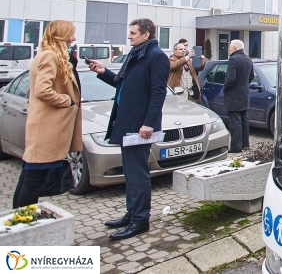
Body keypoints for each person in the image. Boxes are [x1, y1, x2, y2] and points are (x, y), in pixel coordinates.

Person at [88, 18, 169, 240]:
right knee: (130, 173)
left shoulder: (156, 57)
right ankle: (132, 213)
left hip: (140, 126)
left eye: (133, 33)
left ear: (146, 34)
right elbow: (122, 83)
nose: (129, 36)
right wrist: (103, 71)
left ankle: (140, 220)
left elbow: (157, 93)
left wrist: (149, 123)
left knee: (138, 174)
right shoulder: (136, 54)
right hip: (127, 122)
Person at [13, 21, 82, 208]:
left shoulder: (51, 56)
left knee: (32, 175)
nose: (73, 39)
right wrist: (67, 100)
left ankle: (23, 218)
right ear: (60, 36)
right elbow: (42, 90)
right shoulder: (49, 56)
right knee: (34, 178)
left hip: (48, 127)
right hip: (47, 128)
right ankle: (23, 221)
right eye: (70, 35)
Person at [223, 39, 254, 154]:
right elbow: (251, 76)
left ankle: (236, 147)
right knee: (244, 120)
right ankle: (245, 145)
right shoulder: (248, 59)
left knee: (235, 121)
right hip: (244, 93)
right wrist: (244, 84)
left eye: (230, 47)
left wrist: (225, 88)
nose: (229, 49)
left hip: (234, 94)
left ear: (235, 48)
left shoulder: (233, 59)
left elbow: (230, 78)